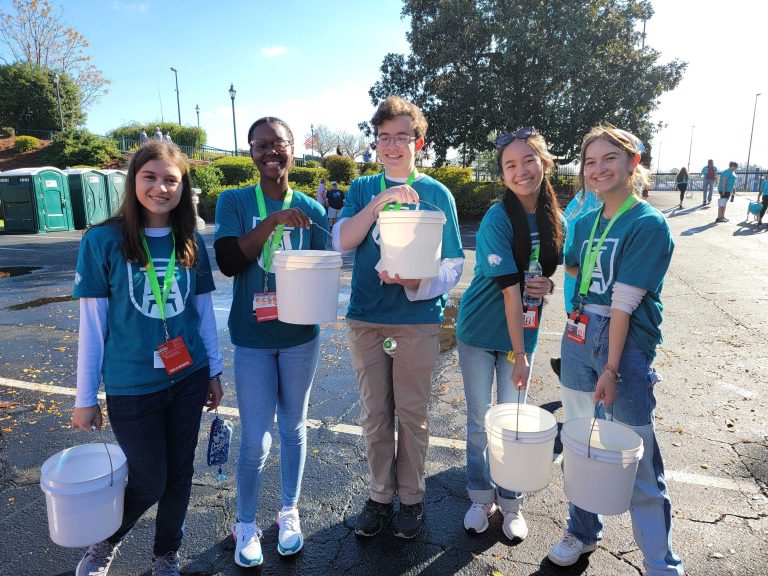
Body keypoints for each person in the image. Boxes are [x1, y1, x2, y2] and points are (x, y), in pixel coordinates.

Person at [70, 139, 224, 576]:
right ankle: (107, 541)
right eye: (150, 177)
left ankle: (166, 552)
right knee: (149, 478)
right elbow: (93, 327)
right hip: (132, 385)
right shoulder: (104, 241)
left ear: (182, 186)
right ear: (133, 181)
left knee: (179, 475)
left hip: (188, 376)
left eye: (170, 179)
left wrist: (213, 370)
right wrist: (85, 397)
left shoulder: (189, 239)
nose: (161, 188)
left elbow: (202, 313)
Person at [549, 125, 683, 576]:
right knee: (581, 444)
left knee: (637, 454)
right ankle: (582, 530)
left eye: (609, 159)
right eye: (590, 162)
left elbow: (624, 305)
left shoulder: (647, 223)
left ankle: (659, 561)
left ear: (633, 163)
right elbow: (575, 264)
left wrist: (610, 368)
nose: (598, 169)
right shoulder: (585, 221)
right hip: (578, 334)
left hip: (622, 347)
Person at [332, 95, 464, 539]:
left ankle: (411, 497)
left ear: (418, 141)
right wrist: (381, 201)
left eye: (402, 137)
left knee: (411, 412)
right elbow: (343, 241)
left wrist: (416, 285)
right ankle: (379, 494)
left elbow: (454, 264)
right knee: (375, 413)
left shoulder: (436, 193)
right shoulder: (362, 188)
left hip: (417, 319)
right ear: (375, 143)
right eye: (384, 137)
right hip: (367, 318)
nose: (392, 145)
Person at [214, 117, 329, 568]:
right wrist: (274, 221)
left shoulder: (313, 210)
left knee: (293, 428)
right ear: (251, 152)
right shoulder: (236, 201)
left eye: (278, 144)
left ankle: (288, 511)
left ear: (292, 149)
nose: (270, 152)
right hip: (254, 337)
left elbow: (324, 267)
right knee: (256, 439)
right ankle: (246, 523)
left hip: (301, 337)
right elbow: (227, 261)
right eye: (261, 145)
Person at [455, 127, 564, 542]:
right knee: (481, 422)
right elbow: (507, 293)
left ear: (545, 163)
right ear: (502, 175)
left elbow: (548, 275)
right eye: (510, 165)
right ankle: (481, 496)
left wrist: (549, 287)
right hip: (481, 331)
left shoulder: (557, 218)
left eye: (528, 161)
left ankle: (511, 501)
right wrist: (520, 355)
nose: (521, 171)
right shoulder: (497, 218)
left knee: (513, 422)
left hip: (524, 334)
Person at [550, 188, 602, 378]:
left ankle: (567, 367)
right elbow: (568, 259)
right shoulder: (586, 204)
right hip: (582, 298)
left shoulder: (593, 199)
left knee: (584, 347)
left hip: (582, 297)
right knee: (584, 350)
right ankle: (568, 369)